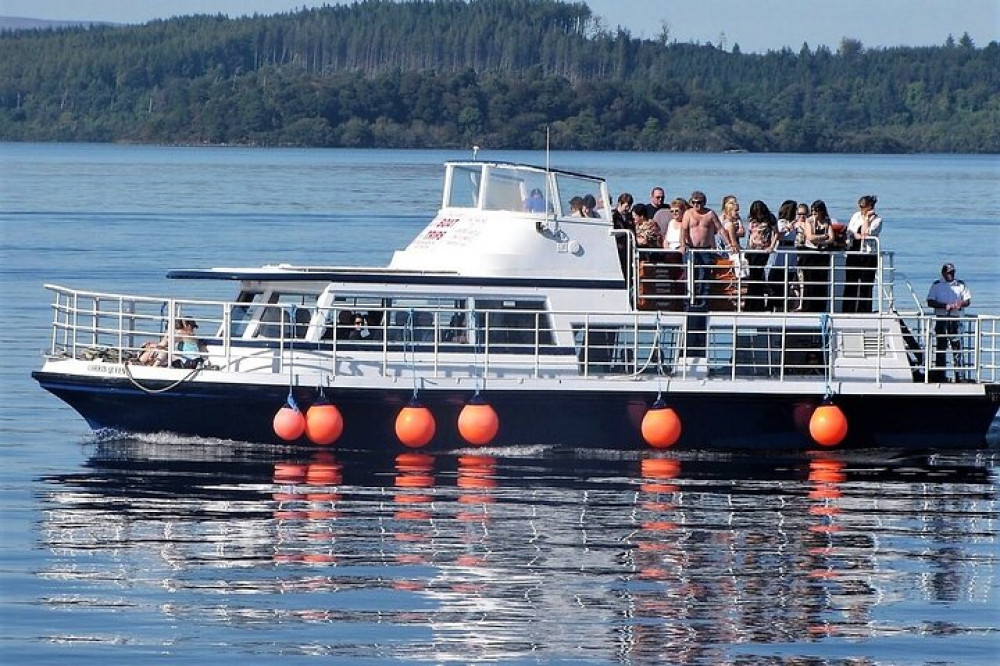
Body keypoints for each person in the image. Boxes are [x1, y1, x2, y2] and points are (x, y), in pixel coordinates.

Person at [682, 191, 731, 309]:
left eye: (699, 202)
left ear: (704, 202)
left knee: (704, 275)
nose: (696, 205)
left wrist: (730, 244)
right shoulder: (688, 213)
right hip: (691, 249)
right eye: (694, 202)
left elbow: (720, 229)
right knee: (690, 275)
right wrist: (683, 244)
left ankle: (703, 302)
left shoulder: (710, 214)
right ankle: (689, 301)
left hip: (705, 249)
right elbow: (683, 230)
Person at [927, 263, 972, 382]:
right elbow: (930, 301)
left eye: (952, 272)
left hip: (955, 318)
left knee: (957, 346)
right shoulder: (937, 285)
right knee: (941, 346)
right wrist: (944, 306)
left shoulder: (960, 284)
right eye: (949, 272)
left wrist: (959, 304)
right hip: (941, 318)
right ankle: (940, 374)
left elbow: (967, 301)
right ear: (943, 273)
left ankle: (959, 376)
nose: (951, 274)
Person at [843, 194, 883, 313]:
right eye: (860, 206)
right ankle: (848, 309)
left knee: (866, 284)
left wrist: (866, 219)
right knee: (851, 282)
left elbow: (867, 233)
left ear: (870, 206)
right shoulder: (856, 216)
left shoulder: (877, 220)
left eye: (863, 207)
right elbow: (850, 231)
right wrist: (856, 235)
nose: (861, 209)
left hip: (868, 254)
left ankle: (864, 309)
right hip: (854, 251)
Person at [799, 199, 836, 312]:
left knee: (821, 281)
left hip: (822, 255)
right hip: (810, 254)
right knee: (809, 281)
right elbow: (810, 237)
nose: (814, 213)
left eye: (816, 211)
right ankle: (808, 307)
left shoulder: (826, 221)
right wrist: (823, 237)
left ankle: (820, 306)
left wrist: (822, 240)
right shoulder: (809, 221)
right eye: (813, 211)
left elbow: (831, 238)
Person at [745, 200, 779, 311]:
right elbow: (750, 234)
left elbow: (776, 233)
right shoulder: (752, 219)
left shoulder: (770, 218)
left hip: (763, 250)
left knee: (757, 274)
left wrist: (772, 246)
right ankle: (753, 304)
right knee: (753, 276)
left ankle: (756, 303)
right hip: (751, 250)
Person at [769, 200, 800, 311]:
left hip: (791, 253)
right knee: (777, 282)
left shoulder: (796, 223)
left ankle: (784, 306)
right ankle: (776, 307)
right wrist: (788, 228)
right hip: (782, 253)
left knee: (788, 282)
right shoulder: (781, 222)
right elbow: (778, 235)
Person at [611, 192, 635, 280]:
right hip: (618, 248)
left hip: (628, 249)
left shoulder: (629, 217)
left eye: (629, 206)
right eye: (626, 206)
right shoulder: (613, 216)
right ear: (620, 203)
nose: (628, 209)